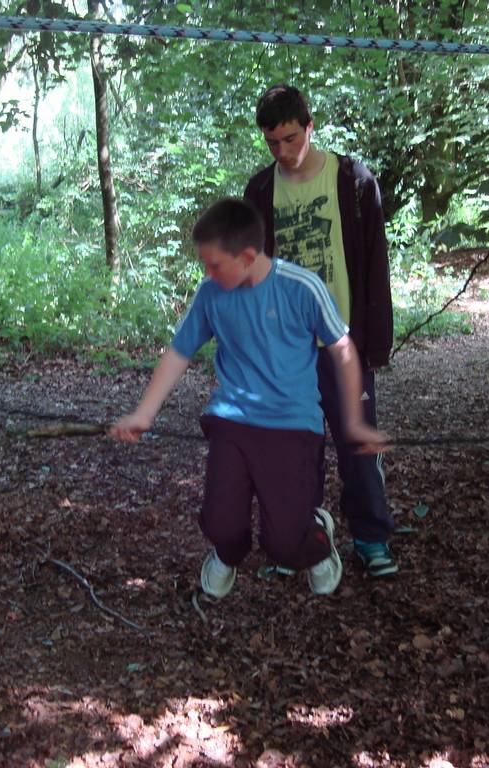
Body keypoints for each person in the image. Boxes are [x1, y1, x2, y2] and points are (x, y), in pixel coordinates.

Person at [109, 197, 387, 599]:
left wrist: (355, 420)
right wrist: (143, 413)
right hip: (233, 422)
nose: (207, 273)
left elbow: (342, 350)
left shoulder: (302, 287)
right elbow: (178, 352)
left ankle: (317, 539)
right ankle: (226, 553)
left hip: (292, 426)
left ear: (248, 256)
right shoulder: (211, 293)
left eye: (215, 264)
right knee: (221, 523)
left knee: (285, 546)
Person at [244, 84, 399, 577]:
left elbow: (376, 263)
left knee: (358, 446)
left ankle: (372, 539)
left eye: (291, 139)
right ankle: (300, 542)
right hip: (287, 349)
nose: (283, 153)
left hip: (342, 343)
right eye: (273, 144)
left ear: (310, 127)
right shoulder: (261, 192)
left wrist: (376, 342)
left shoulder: (352, 181)